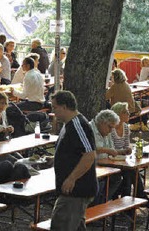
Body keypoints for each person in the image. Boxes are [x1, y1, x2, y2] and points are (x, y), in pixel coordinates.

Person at [50, 90, 97, 230]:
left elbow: (89, 155)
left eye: (55, 107)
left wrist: (72, 178)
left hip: (76, 190)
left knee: (60, 224)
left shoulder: (78, 125)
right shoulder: (68, 124)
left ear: (64, 107)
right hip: (70, 189)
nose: (53, 111)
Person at [109, 103, 148, 201]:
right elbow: (110, 149)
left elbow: (127, 144)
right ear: (118, 114)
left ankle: (133, 198)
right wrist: (123, 151)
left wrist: (129, 149)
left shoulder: (126, 127)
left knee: (132, 171)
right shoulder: (111, 128)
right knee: (129, 173)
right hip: (111, 161)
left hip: (122, 160)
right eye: (125, 112)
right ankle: (134, 198)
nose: (128, 113)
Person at [90, 110, 125, 203]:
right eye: (109, 127)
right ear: (102, 122)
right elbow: (91, 148)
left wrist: (122, 151)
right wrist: (108, 150)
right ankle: (100, 204)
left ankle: (125, 206)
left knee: (129, 174)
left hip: (105, 164)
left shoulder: (106, 132)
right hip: (92, 165)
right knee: (116, 178)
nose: (110, 131)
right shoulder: (89, 129)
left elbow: (111, 148)